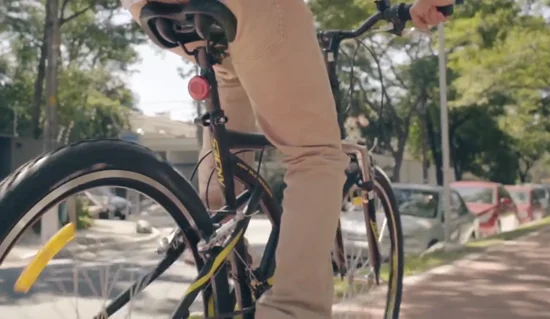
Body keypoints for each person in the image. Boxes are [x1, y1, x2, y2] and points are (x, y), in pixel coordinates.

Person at [122, 0, 453, 317]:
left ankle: (216, 239)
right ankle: (294, 311)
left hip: (151, 8)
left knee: (230, 71)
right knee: (315, 155)